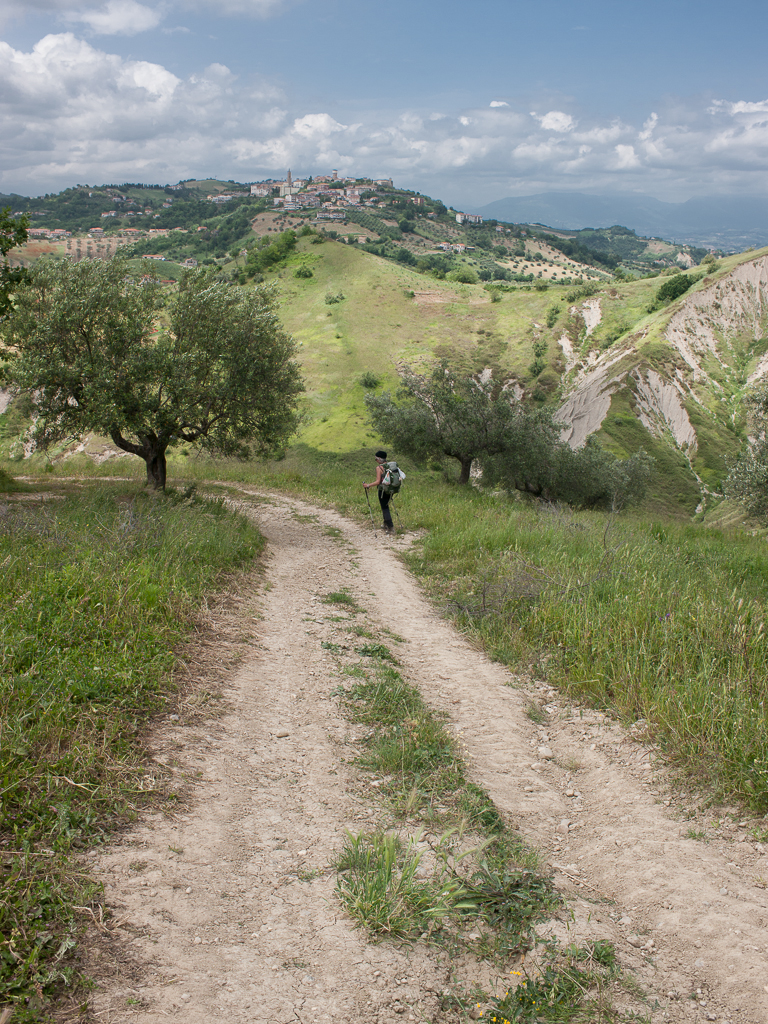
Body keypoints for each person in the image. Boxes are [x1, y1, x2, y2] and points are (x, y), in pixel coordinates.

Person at [364, 449, 394, 535]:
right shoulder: (390, 465)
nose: (376, 461)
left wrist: (368, 485)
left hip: (383, 490)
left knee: (384, 508)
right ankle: (385, 524)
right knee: (386, 505)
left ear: (380, 459)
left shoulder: (379, 468)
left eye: (376, 459)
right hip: (390, 489)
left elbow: (378, 482)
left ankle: (391, 527)